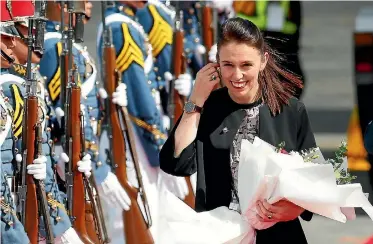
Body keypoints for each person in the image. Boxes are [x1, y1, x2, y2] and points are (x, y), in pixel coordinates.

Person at [159, 17, 314, 243]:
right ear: (217, 64)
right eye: (228, 65)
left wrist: (296, 209)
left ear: (263, 61)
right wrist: (195, 100)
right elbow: (177, 164)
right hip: (220, 234)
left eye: (246, 65)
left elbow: (314, 177)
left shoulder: (290, 110)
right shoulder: (207, 108)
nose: (237, 75)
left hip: (279, 235)